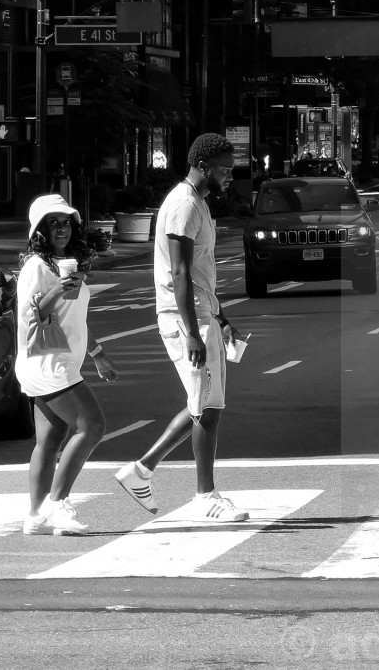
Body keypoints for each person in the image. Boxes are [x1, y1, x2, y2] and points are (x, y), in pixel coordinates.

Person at [114, 133, 249, 523]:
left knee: (201, 402)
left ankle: (141, 470)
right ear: (204, 165)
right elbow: (180, 272)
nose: (229, 174)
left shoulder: (199, 203)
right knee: (208, 408)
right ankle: (204, 496)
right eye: (224, 167)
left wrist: (220, 318)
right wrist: (193, 331)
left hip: (203, 315)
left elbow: (202, 274)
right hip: (185, 319)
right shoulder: (185, 205)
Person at [17, 194, 119, 536]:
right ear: (40, 230)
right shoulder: (36, 267)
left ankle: (35, 516)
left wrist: (98, 354)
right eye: (52, 223)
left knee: (51, 437)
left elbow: (74, 320)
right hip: (48, 362)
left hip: (59, 361)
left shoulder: (68, 263)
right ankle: (58, 504)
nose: (60, 228)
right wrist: (59, 288)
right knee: (92, 426)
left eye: (65, 222)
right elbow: (35, 314)